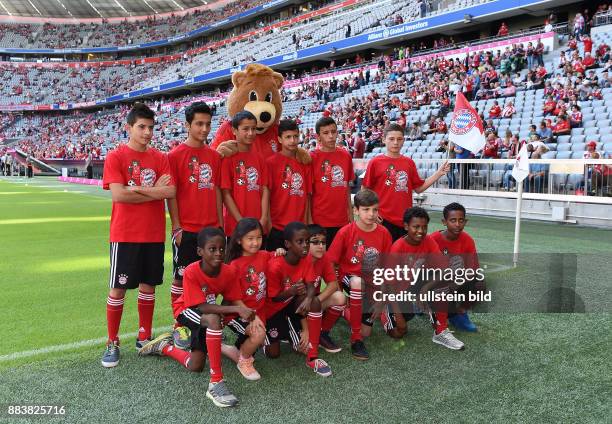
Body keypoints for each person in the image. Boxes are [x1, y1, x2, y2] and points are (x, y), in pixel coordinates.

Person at [139, 227, 263, 407]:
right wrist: (232, 309)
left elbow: (234, 298)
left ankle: (163, 347)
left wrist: (248, 314)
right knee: (213, 318)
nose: (218, 253)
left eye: (222, 249)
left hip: (209, 313)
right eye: (212, 249)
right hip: (186, 310)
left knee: (195, 366)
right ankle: (216, 383)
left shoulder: (228, 272)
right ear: (200, 251)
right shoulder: (191, 271)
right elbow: (201, 306)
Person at [100, 103, 176, 368]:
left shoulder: (160, 157)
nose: (147, 132)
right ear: (129, 127)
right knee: (118, 288)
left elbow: (170, 192)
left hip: (153, 233)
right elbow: (119, 195)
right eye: (142, 127)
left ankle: (144, 337)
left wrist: (140, 191)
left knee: (148, 286)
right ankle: (112, 341)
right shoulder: (116, 156)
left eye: (151, 128)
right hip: (125, 233)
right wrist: (152, 189)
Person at [166, 102, 222, 346]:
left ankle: (202, 320)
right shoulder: (175, 155)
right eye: (199, 123)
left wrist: (220, 224)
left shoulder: (214, 156)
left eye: (208, 124)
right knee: (180, 279)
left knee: (208, 279)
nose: (204, 128)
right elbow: (172, 194)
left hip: (211, 230)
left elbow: (218, 191)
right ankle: (180, 325)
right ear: (187, 125)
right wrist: (177, 226)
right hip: (187, 230)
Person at [326, 189, 392, 360]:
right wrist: (337, 287)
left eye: (375, 210)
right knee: (357, 282)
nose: (371, 214)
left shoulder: (384, 233)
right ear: (356, 210)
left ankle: (346, 310)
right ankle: (355, 339)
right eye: (366, 209)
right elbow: (330, 262)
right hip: (350, 277)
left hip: (372, 283)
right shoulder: (345, 232)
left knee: (367, 331)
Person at [389, 207, 465, 350]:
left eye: (424, 227)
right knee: (399, 332)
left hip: (414, 285)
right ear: (406, 226)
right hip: (395, 293)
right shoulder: (397, 248)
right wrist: (398, 315)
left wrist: (426, 288)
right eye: (416, 227)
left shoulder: (428, 240)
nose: (421, 231)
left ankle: (440, 331)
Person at [264, 222, 332, 377]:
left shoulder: (306, 260)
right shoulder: (275, 266)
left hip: (291, 307)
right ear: (287, 244)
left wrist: (308, 299)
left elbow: (310, 285)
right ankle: (273, 337)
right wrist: (291, 291)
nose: (305, 246)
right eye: (300, 242)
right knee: (273, 354)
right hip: (272, 312)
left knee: (312, 301)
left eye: (307, 241)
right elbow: (273, 298)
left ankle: (312, 356)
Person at [362, 124, 450, 241]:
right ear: (384, 140)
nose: (395, 143)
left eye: (399, 139)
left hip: (406, 220)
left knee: (402, 257)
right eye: (391, 139)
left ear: (403, 140)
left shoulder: (409, 163)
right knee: (384, 256)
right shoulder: (375, 162)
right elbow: (365, 190)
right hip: (383, 219)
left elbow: (418, 188)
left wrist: (438, 174)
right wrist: (371, 212)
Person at [224, 218, 281, 380]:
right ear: (239, 240)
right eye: (250, 238)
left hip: (258, 310)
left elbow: (275, 256)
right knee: (258, 335)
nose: (255, 242)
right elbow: (233, 297)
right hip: (239, 312)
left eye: (259, 237)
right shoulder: (234, 265)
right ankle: (244, 361)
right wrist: (251, 316)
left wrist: (279, 251)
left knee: (259, 338)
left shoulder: (263, 255)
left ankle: (233, 350)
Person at [431, 203, 483, 332]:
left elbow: (472, 270)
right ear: (444, 222)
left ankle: (459, 314)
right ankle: (431, 309)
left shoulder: (468, 240)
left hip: (454, 282)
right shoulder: (433, 240)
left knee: (479, 284)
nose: (457, 224)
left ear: (465, 221)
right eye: (453, 220)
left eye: (461, 220)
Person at [220, 111, 270, 239]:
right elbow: (226, 194)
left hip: (258, 225)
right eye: (246, 129)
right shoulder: (228, 158)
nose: (251, 133)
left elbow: (265, 189)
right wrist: (240, 221)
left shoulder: (259, 158)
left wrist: (264, 217)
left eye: (253, 129)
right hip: (236, 227)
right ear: (234, 130)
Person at [265, 119, 312, 251]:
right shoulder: (271, 163)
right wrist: (268, 223)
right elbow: (266, 195)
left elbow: (307, 196)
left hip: (299, 228)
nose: (292, 140)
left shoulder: (305, 163)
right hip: (277, 227)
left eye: (295, 136)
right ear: (280, 139)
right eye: (288, 137)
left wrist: (307, 224)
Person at [310, 117, 354, 247]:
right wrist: (309, 219)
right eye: (326, 133)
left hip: (341, 220)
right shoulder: (312, 158)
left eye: (333, 132)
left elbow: (346, 187)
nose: (331, 136)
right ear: (318, 137)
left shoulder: (345, 156)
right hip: (320, 220)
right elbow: (309, 193)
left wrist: (350, 215)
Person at [307, 224, 347, 353]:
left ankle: (322, 334)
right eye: (315, 242)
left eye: (323, 242)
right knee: (274, 352)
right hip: (293, 308)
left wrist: (317, 301)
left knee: (340, 297)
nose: (320, 246)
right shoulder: (298, 258)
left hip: (311, 303)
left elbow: (333, 284)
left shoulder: (324, 258)